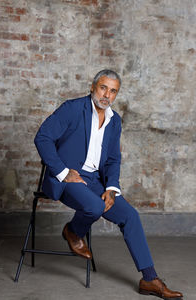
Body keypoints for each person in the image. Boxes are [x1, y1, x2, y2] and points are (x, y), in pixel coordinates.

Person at [34, 69, 183, 299]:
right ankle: (73, 231)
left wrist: (112, 188)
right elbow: (43, 137)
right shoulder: (72, 108)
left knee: (130, 216)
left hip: (95, 181)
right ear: (93, 87)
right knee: (94, 207)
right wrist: (63, 172)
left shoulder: (114, 122)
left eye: (113, 91)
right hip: (68, 178)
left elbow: (113, 159)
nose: (107, 95)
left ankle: (149, 279)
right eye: (103, 88)